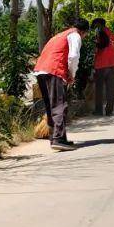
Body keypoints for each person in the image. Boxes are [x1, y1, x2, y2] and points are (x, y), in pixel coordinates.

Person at [34, 18, 89, 151]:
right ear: (84, 31)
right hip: (55, 70)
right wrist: (72, 74)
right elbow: (74, 56)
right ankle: (58, 139)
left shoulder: (59, 35)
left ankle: (57, 138)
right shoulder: (75, 35)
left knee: (50, 106)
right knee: (59, 105)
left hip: (41, 71)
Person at [91, 17, 114, 116]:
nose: (94, 28)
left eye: (95, 26)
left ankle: (99, 110)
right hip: (113, 64)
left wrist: (95, 44)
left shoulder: (100, 32)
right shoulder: (111, 34)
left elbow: (102, 45)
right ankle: (109, 110)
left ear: (98, 25)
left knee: (99, 88)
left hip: (102, 64)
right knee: (110, 89)